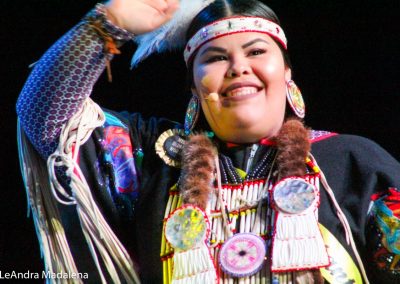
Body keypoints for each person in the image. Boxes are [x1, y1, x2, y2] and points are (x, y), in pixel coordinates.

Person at [16, 0, 400, 283]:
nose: (237, 67)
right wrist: (106, 25)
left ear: (287, 73)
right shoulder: (156, 163)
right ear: (195, 88)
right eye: (216, 57)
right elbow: (43, 118)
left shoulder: (353, 163)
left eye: (256, 51)